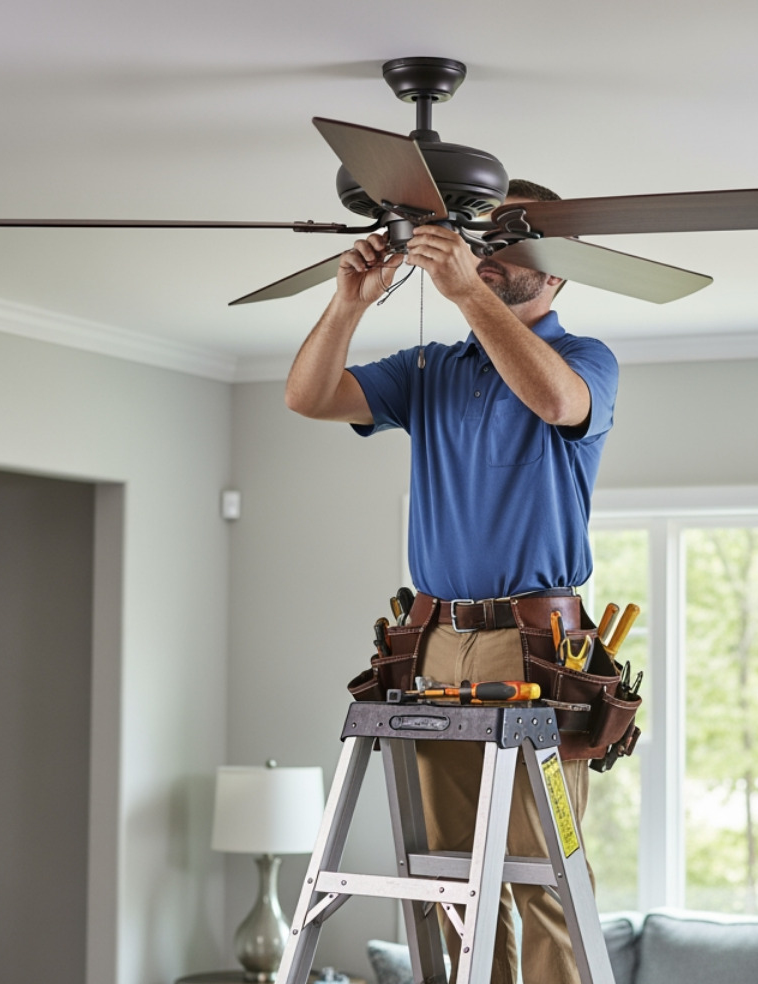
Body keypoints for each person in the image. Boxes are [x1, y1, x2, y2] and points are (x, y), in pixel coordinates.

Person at [284, 179, 618, 984]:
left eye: (509, 243)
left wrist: (468, 291)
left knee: (542, 878)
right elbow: (308, 396)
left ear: (557, 271)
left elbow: (556, 402)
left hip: (535, 649)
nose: (487, 252)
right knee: (453, 876)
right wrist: (349, 301)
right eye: (480, 238)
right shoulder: (430, 369)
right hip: (432, 642)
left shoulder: (585, 360)